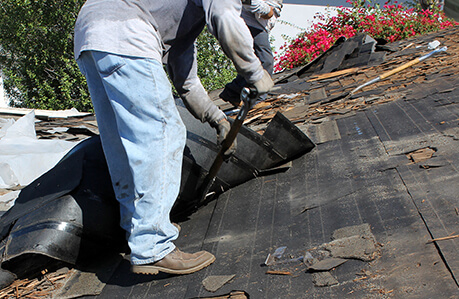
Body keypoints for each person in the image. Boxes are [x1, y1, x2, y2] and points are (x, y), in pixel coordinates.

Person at [74, 0, 273, 275]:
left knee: (121, 141)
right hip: (127, 30)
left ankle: (137, 224)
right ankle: (152, 244)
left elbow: (187, 82)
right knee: (162, 133)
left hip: (92, 33)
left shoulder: (180, 24)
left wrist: (217, 118)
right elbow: (225, 17)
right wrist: (254, 72)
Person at [220, 0, 282, 107]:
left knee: (255, 61)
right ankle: (258, 99)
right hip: (252, 23)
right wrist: (267, 10)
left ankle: (232, 92)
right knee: (265, 60)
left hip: (258, 25)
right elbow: (248, 2)